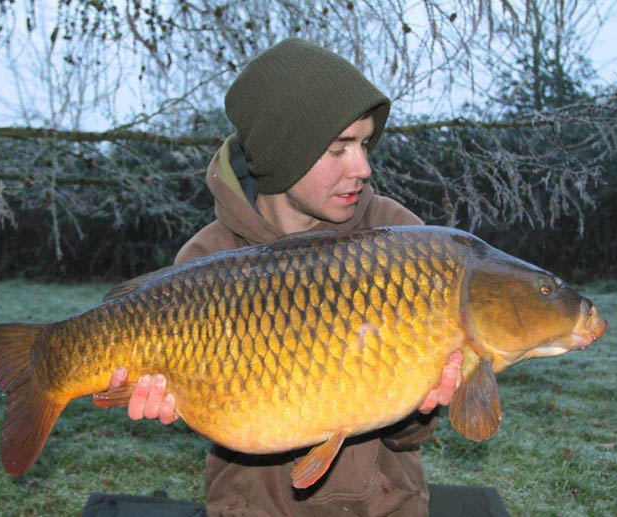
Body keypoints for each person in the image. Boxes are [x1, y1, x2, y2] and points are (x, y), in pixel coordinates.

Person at [106, 38, 463, 516]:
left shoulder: (398, 241)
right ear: (281, 156)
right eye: (339, 149)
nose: (363, 167)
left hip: (382, 505)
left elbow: (411, 436)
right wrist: (171, 399)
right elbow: (218, 414)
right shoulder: (206, 258)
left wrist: (421, 407)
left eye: (363, 143)